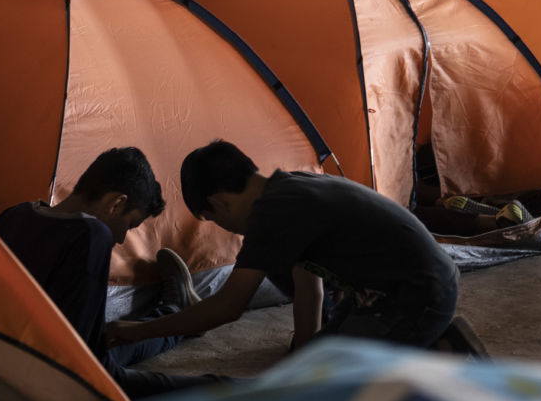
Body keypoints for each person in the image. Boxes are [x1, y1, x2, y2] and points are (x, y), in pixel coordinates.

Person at [107, 140, 474, 355]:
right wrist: (304, 346)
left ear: (219, 203)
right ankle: (426, 340)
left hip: (415, 298)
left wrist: (134, 331)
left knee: (329, 394)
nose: (230, 231)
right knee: (314, 364)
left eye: (215, 219)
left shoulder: (272, 214)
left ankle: (438, 352)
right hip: (416, 284)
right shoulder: (289, 187)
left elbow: (228, 307)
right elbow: (304, 275)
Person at [0, 146, 210, 399]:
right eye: (129, 225)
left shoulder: (14, 215)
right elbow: (86, 363)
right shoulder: (91, 234)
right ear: (116, 203)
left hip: (1, 354)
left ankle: (174, 313)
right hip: (50, 373)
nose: (120, 238)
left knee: (121, 337)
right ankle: (178, 316)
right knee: (205, 387)